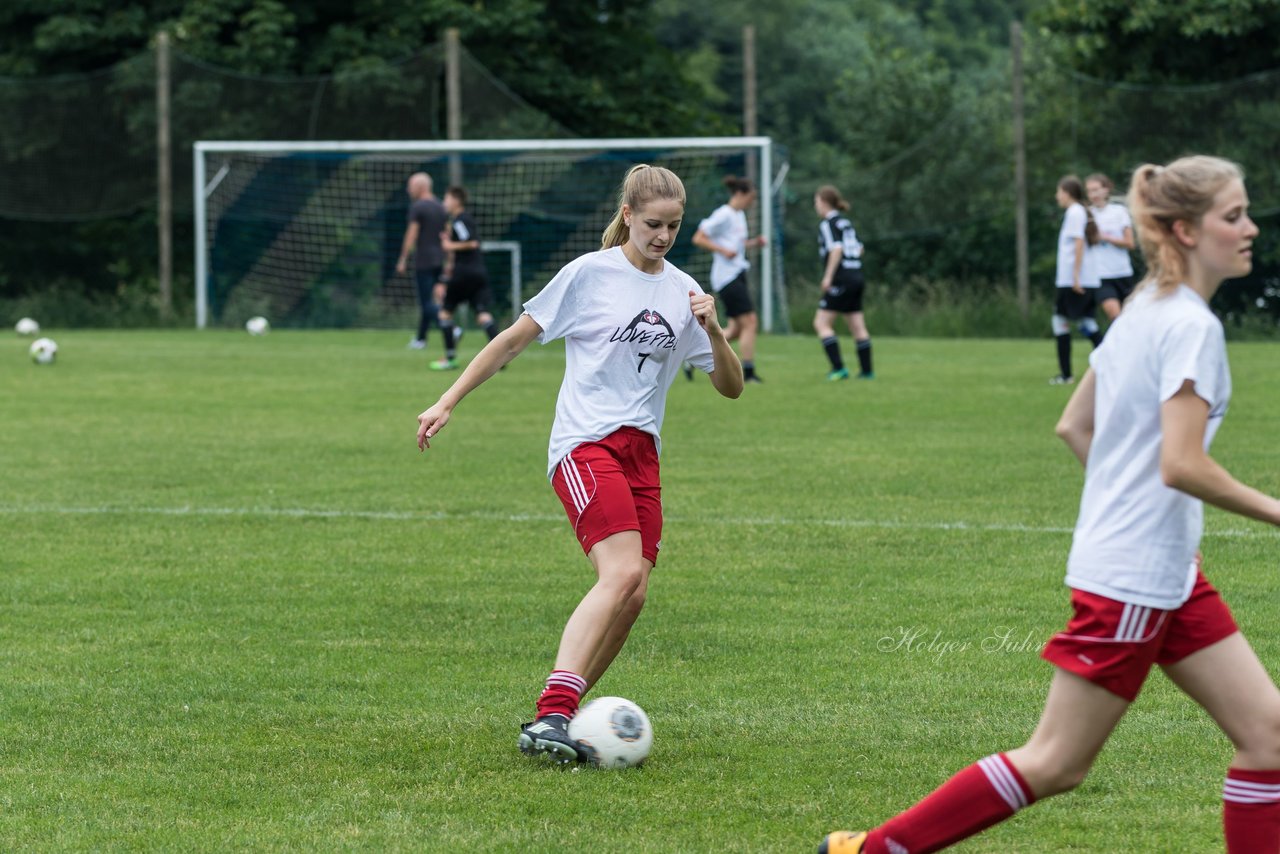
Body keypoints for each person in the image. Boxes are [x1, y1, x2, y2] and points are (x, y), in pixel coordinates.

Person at [820, 155, 1280, 854]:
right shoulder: (1190, 325)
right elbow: (1182, 464)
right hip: (1136, 578)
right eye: (1234, 215)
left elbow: (1074, 427)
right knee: (1057, 761)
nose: (1250, 228)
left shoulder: (1143, 311)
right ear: (1185, 229)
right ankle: (875, 850)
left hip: (1162, 572)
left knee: (1269, 737)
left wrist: (1128, 508)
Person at [415, 164, 743, 763]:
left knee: (635, 592)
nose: (663, 236)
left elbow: (731, 387)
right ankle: (551, 716)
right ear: (626, 216)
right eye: (652, 224)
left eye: (673, 225)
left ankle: (563, 720)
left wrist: (715, 331)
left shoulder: (684, 291)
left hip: (643, 454)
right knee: (619, 575)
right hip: (585, 444)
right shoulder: (589, 274)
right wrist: (448, 399)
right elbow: (512, 339)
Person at [691, 174, 767, 383]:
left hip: (738, 273)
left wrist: (753, 243)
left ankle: (690, 358)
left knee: (735, 329)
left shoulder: (739, 215)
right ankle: (749, 373)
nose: (752, 202)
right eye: (751, 197)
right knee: (751, 322)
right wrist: (722, 250)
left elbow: (736, 245)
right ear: (740, 194)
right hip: (726, 278)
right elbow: (698, 238)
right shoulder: (723, 214)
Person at [432, 186, 499, 371]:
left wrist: (448, 244)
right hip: (478, 272)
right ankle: (500, 358)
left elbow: (471, 242)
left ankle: (451, 359)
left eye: (446, 198)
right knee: (483, 315)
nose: (444, 203)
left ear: (456, 200)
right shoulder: (463, 220)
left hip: (464, 274)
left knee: (444, 314)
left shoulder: (459, 220)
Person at [813, 185, 873, 381]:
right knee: (857, 325)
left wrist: (828, 277)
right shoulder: (846, 223)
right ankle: (867, 372)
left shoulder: (827, 224)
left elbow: (837, 249)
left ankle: (838, 368)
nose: (816, 206)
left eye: (816, 202)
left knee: (821, 323)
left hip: (842, 278)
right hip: (857, 275)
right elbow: (859, 249)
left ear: (823, 202)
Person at [1050, 175, 1103, 384]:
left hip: (1074, 280)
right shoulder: (1078, 211)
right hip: (1077, 279)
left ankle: (1066, 375)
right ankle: (1112, 361)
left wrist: (1075, 277)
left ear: (1067, 192)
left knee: (1062, 320)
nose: (1057, 196)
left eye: (1059, 192)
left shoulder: (1074, 212)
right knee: (1085, 322)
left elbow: (1078, 243)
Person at [395, 172, 448, 352]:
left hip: (424, 260)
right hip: (439, 259)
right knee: (430, 301)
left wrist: (403, 258)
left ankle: (450, 327)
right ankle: (421, 338)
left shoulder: (418, 207)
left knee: (426, 303)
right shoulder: (441, 206)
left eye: (410, 186)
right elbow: (447, 234)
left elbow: (411, 234)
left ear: (420, 187)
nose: (408, 190)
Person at [1087, 172, 1138, 322]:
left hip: (1122, 273)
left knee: (1128, 318)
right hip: (1101, 275)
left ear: (1106, 189)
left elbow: (1130, 243)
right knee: (1114, 315)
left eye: (1096, 189)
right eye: (1089, 191)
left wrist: (1106, 238)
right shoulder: (1087, 214)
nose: (1093, 194)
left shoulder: (1119, 212)